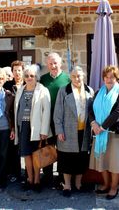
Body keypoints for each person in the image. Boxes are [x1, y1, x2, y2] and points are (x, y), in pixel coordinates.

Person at [89, 65, 119, 200]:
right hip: (99, 132)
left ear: (117, 78)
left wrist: (102, 127)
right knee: (102, 161)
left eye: (112, 77)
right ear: (103, 78)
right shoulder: (98, 92)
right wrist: (93, 123)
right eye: (106, 77)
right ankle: (106, 184)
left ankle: (114, 187)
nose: (109, 79)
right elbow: (90, 110)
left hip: (115, 135)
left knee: (115, 163)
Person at [54, 66, 94, 197]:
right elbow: (57, 113)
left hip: (84, 131)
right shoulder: (64, 91)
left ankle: (78, 183)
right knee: (66, 158)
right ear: (70, 77)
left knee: (81, 158)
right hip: (68, 131)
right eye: (74, 76)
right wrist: (59, 130)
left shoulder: (89, 91)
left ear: (83, 76)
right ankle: (67, 185)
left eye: (79, 76)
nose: (77, 78)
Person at [15, 65, 51, 192]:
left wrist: (44, 131)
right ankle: (29, 179)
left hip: (36, 127)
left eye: (32, 76)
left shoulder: (42, 90)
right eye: (27, 76)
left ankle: (37, 180)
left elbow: (47, 111)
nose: (29, 78)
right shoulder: (20, 90)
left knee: (36, 155)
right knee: (26, 155)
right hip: (23, 127)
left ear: (37, 77)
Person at [40, 52, 70, 186]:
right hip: (47, 120)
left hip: (63, 120)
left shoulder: (67, 79)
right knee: (48, 148)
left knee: (62, 149)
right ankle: (47, 176)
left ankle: (62, 176)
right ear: (47, 64)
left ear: (60, 63)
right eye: (50, 63)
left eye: (55, 63)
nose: (53, 66)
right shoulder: (43, 79)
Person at [3, 60, 25, 182]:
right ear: (12, 72)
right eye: (15, 70)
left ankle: (28, 173)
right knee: (12, 148)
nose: (17, 73)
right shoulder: (7, 86)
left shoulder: (28, 84)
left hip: (25, 120)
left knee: (26, 147)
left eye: (19, 70)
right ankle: (14, 172)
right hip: (11, 121)